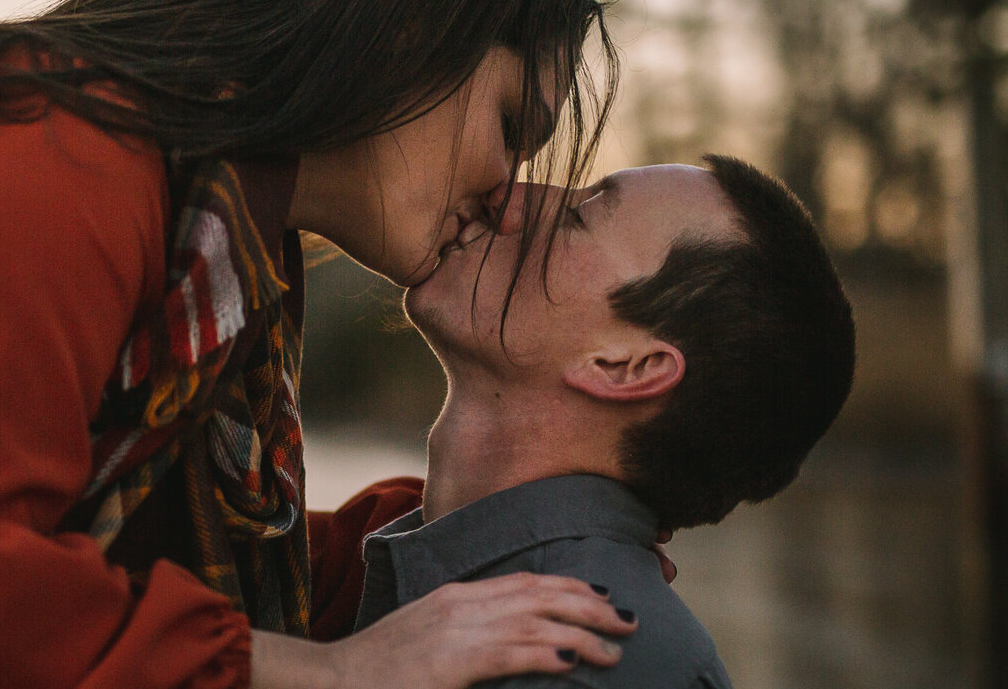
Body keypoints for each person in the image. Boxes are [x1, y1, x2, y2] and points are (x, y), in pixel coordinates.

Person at [0, 0, 645, 687]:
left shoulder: (226, 244)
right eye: (513, 126)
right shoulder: (32, 147)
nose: (508, 193)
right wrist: (341, 673)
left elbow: (194, 562)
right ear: (413, 35)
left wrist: (534, 535)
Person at [348, 156, 856, 686]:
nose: (507, 197)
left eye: (576, 217)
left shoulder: (574, 664)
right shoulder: (420, 594)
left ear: (624, 367)